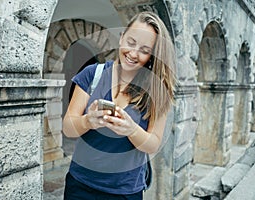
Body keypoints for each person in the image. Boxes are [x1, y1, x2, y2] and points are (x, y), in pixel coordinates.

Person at [62, 11, 177, 200]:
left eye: (144, 50)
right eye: (131, 42)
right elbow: (68, 127)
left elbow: (153, 144)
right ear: (122, 37)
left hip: (125, 191)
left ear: (152, 55)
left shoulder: (156, 89)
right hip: (80, 184)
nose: (133, 53)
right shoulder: (93, 74)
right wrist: (88, 121)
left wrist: (131, 129)